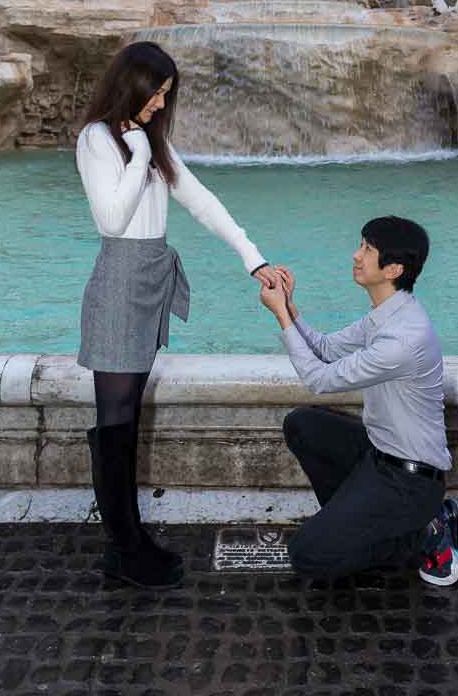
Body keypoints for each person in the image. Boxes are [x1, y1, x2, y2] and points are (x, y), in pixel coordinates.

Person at [77, 42, 281, 589]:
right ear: (132, 85)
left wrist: (252, 257)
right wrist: (139, 153)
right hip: (121, 281)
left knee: (127, 418)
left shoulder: (154, 139)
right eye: (156, 93)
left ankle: (130, 540)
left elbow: (201, 200)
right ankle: (124, 549)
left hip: (151, 279)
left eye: (168, 95)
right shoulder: (98, 139)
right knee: (115, 422)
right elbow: (112, 219)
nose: (161, 104)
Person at [259, 216, 458, 585]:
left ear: (394, 269)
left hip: (409, 482)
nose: (356, 255)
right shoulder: (388, 313)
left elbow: (318, 379)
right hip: (378, 455)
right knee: (302, 425)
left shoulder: (403, 340)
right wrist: (289, 307)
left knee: (308, 557)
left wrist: (279, 317)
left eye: (368, 249)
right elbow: (324, 349)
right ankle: (354, 522)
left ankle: (425, 534)